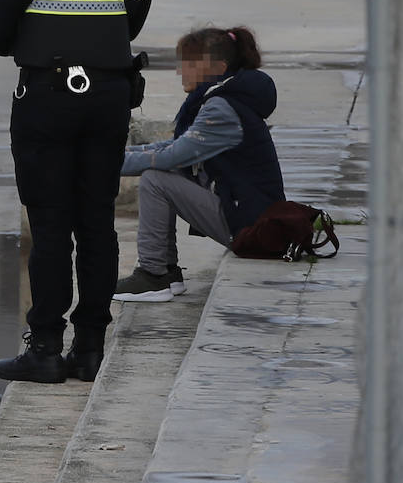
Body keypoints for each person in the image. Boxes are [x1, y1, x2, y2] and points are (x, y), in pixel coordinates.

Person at [0, 0, 152, 384]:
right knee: (97, 220)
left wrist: (36, 40)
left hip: (46, 96)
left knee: (50, 223)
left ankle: (46, 348)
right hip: (109, 97)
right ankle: (91, 348)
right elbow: (130, 22)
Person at [112, 25, 284, 302]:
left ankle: (154, 275)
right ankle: (165, 272)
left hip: (251, 226)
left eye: (190, 63)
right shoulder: (221, 100)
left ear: (218, 66)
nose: (181, 71)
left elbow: (171, 156)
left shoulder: (221, 109)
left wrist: (103, 163)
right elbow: (170, 147)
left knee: (157, 179)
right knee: (160, 175)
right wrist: (109, 154)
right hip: (246, 213)